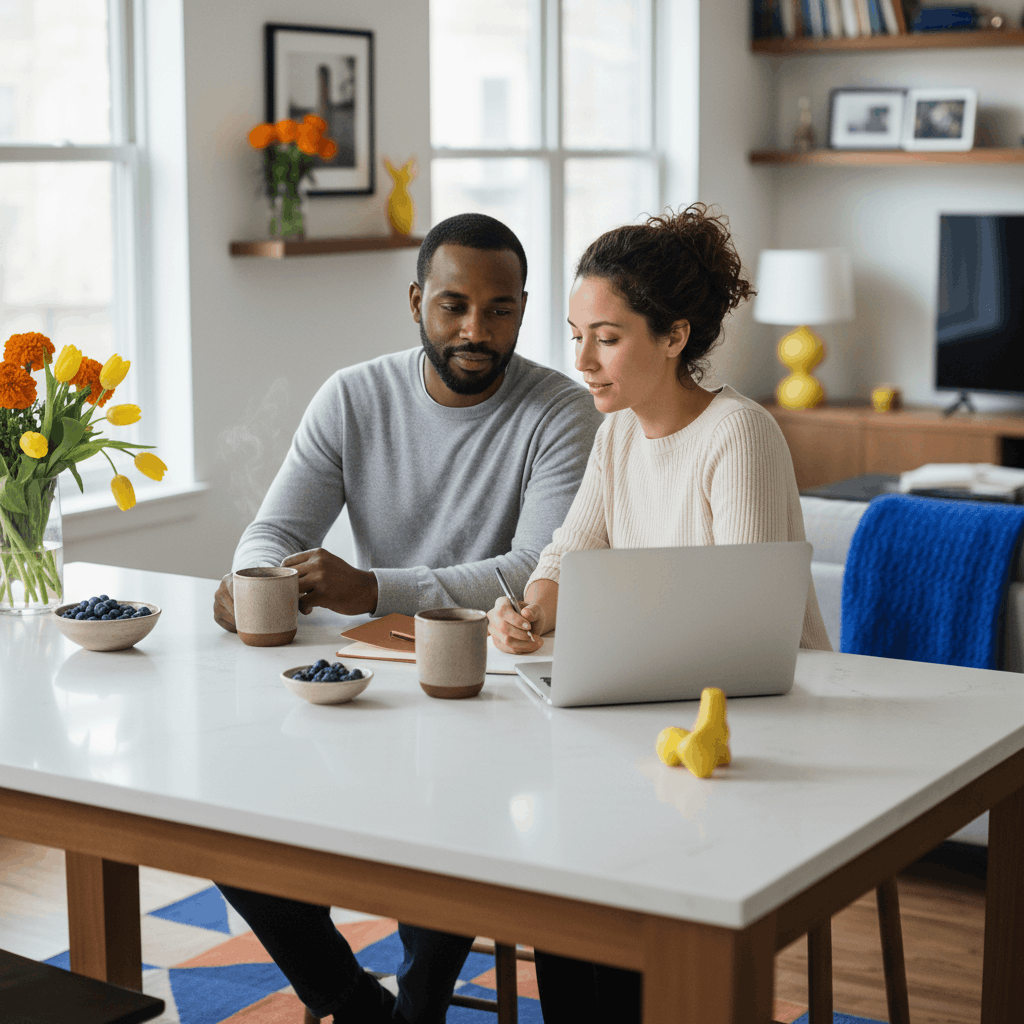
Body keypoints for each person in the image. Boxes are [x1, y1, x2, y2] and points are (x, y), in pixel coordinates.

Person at [213, 212, 603, 1024]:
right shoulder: (353, 395)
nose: (475, 330)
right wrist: (250, 578)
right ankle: (353, 1001)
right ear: (417, 299)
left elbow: (531, 570)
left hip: (498, 695)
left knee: (447, 813)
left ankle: (420, 999)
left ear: (524, 309)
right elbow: (274, 532)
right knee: (221, 816)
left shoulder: (561, 412)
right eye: (454, 306)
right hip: (370, 687)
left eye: (499, 310)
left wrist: (373, 588)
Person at [487, 204, 831, 1024]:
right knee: (564, 880)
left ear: (674, 336)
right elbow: (569, 553)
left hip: (763, 728)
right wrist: (530, 611)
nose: (582, 361)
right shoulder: (617, 437)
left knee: (611, 881)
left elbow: (744, 625)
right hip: (654, 723)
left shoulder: (738, 435)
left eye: (606, 337)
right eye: (576, 335)